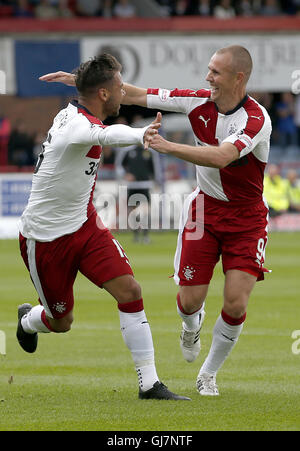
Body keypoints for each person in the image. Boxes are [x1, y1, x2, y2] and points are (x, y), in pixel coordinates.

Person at [39, 45, 272, 397]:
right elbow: (136, 93)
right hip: (205, 211)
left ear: (238, 78)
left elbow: (224, 156)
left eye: (215, 72)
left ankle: (207, 375)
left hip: (247, 218)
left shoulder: (256, 119)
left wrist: (167, 146)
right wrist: (85, 83)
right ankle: (191, 325)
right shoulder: (196, 101)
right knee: (190, 301)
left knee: (236, 301)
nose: (207, 77)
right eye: (208, 69)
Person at [18, 54, 190, 402]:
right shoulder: (78, 126)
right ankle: (28, 320)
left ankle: (149, 384)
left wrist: (77, 79)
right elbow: (107, 134)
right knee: (61, 322)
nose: (124, 89)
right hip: (45, 239)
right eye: (118, 84)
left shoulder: (80, 108)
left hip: (84, 225)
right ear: (103, 94)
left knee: (130, 290)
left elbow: (103, 102)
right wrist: (143, 133)